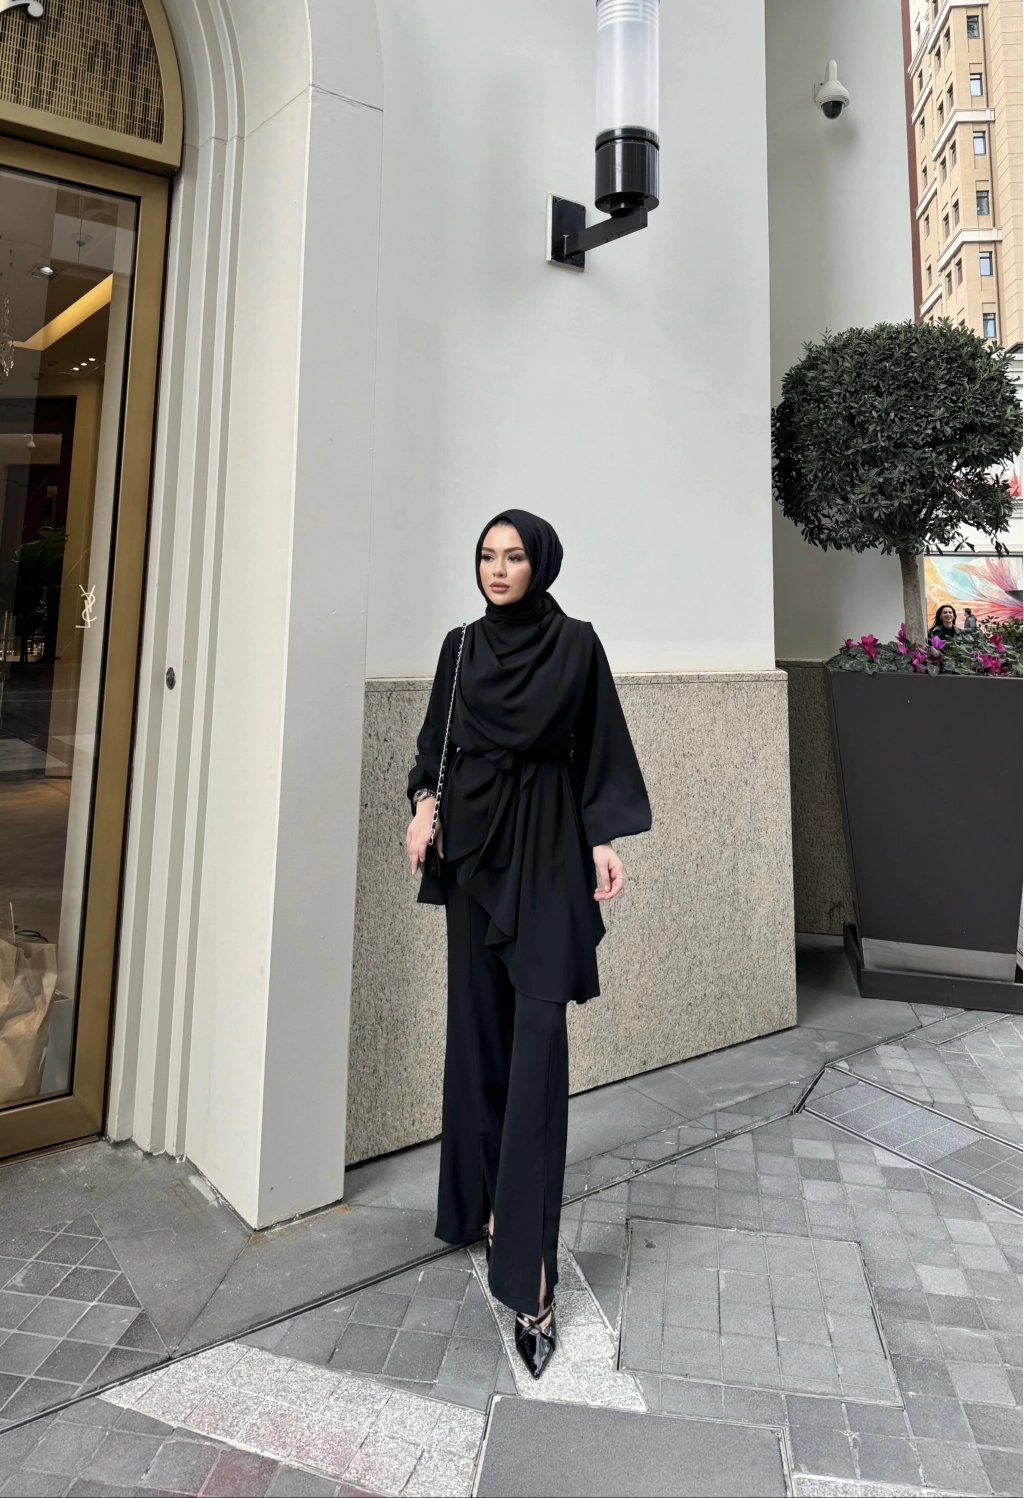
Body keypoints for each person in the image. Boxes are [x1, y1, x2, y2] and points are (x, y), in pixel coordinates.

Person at [405, 510, 651, 1380]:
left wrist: (603, 838)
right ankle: (484, 1209)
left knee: (538, 1048)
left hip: (546, 851)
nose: (498, 569)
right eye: (487, 555)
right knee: (479, 1040)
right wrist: (423, 809)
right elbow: (434, 747)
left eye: (513, 556)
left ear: (540, 563)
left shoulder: (576, 645)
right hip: (473, 854)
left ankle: (532, 1276)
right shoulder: (460, 646)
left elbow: (599, 750)